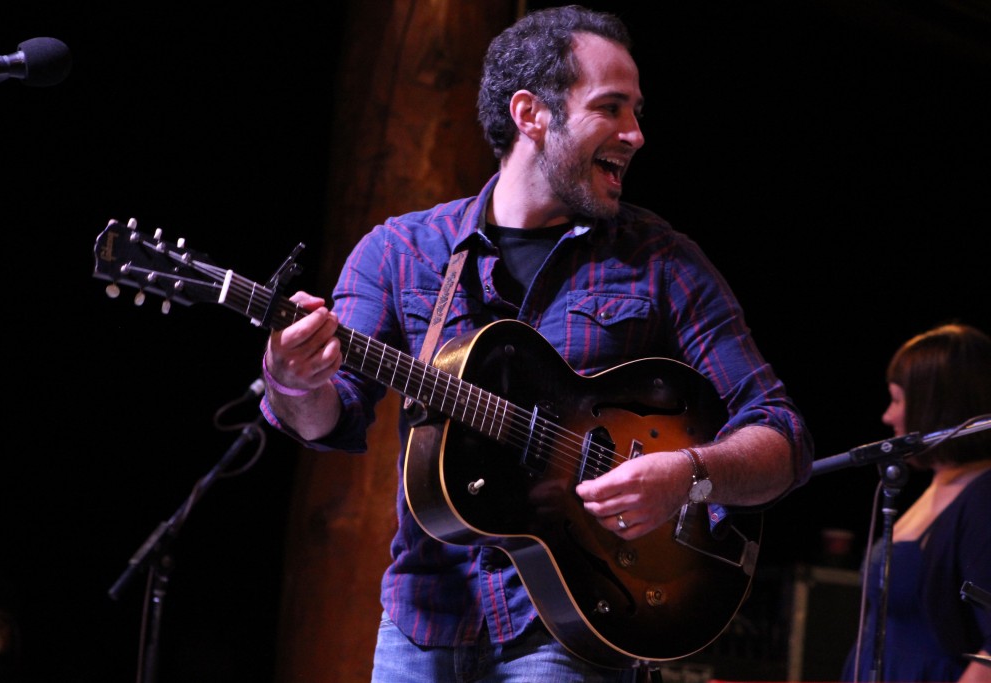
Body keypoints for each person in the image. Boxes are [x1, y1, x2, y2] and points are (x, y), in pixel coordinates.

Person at [260, 5, 813, 681]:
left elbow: (782, 434)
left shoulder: (663, 260)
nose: (636, 134)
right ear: (531, 114)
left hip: (573, 627)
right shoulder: (401, 252)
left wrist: (689, 475)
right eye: (611, 108)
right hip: (423, 622)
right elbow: (328, 417)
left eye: (637, 111)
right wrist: (295, 379)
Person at [842, 323, 991, 683]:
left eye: (897, 399)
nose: (887, 416)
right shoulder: (940, 485)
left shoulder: (983, 497)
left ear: (935, 404)